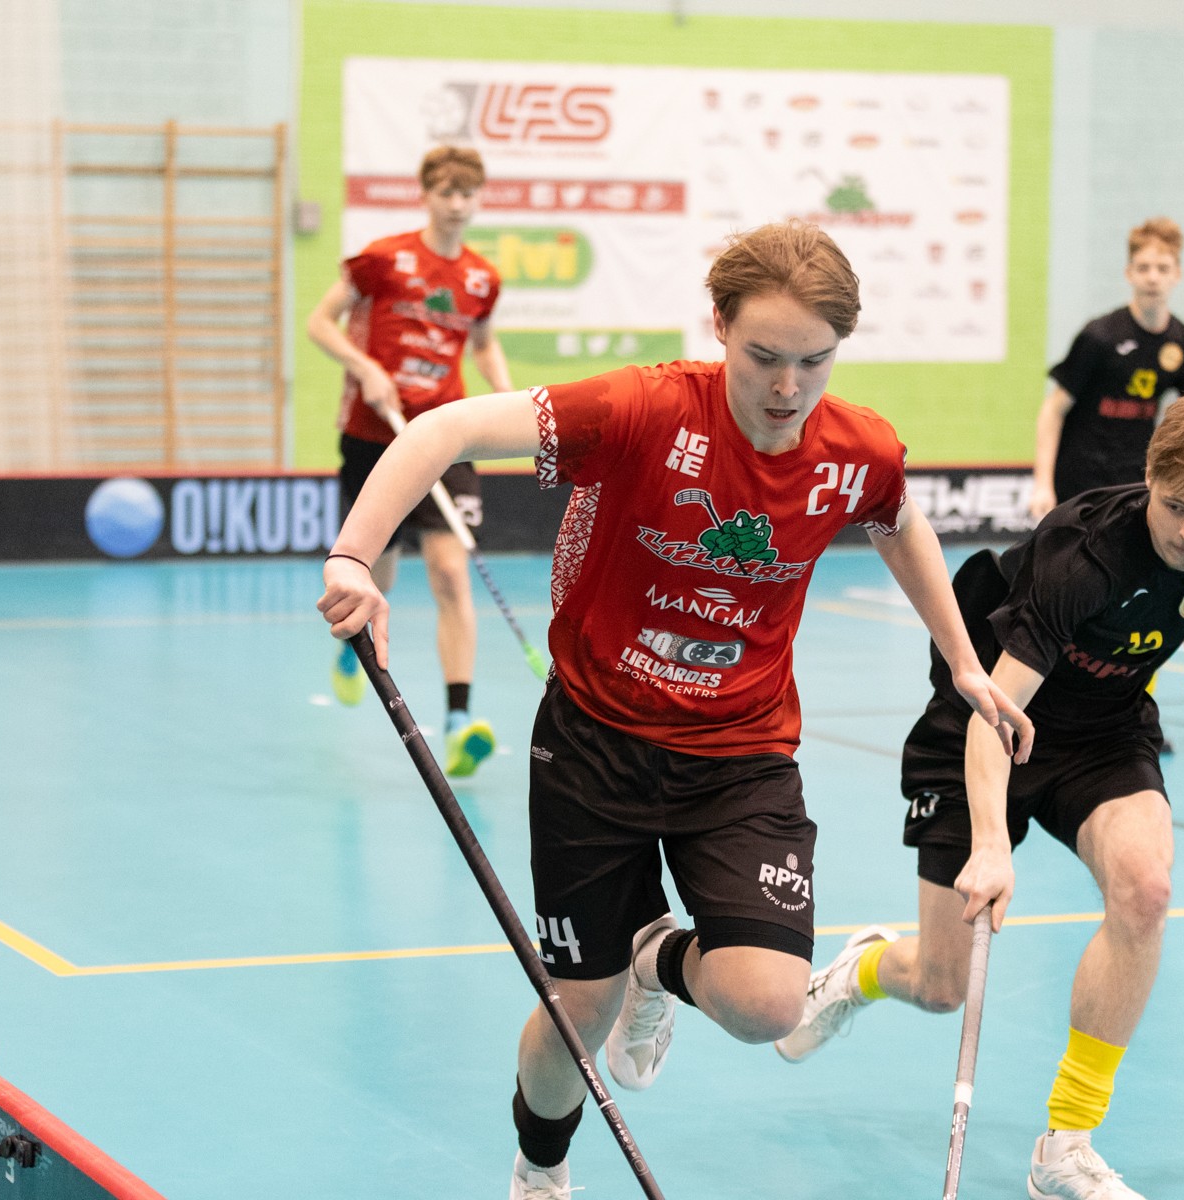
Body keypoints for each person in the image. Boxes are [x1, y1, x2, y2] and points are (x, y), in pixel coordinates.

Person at [318, 220, 1033, 1200]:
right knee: (578, 1009)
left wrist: (962, 660)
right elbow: (442, 430)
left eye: (815, 361)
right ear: (720, 326)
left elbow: (897, 518)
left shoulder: (855, 449)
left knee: (768, 1005)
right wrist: (354, 555)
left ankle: (656, 958)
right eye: (764, 356)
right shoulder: (643, 409)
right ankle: (540, 1167)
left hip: (741, 754)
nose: (788, 388)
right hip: (593, 744)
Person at [773, 395, 1184, 1200]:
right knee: (941, 986)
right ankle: (859, 971)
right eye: (1177, 506)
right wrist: (991, 844)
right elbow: (995, 716)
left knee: (1145, 890)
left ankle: (1065, 1145)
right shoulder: (1084, 557)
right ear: (1150, 477)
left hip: (1104, 734)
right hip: (987, 723)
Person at [306, 144, 514, 776]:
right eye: (446, 192)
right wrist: (364, 367)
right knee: (382, 572)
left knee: (450, 572)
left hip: (445, 435)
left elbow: (483, 343)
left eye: (468, 193)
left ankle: (459, 721)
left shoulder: (481, 279)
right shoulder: (382, 260)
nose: (457, 204)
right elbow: (321, 322)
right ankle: (351, 645)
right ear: (425, 195)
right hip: (375, 435)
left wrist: (508, 396)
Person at [1031, 218, 1184, 756]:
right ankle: (1043, 705)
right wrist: (1042, 483)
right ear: (1129, 273)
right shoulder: (1100, 337)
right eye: (1143, 267)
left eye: (1163, 268)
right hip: (1081, 487)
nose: (1153, 276)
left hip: (1140, 491)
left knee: (1145, 605)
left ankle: (1130, 712)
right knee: (1071, 597)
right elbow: (1053, 410)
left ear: (1177, 275)